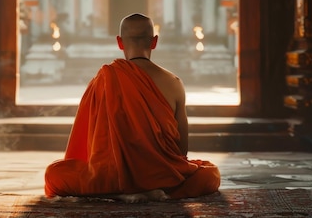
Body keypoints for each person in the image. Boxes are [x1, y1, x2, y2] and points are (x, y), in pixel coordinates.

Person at [44, 13, 221, 203]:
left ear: (119, 42)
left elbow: (89, 142)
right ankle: (156, 189)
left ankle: (117, 192)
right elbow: (182, 150)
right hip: (162, 175)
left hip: (112, 176)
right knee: (210, 174)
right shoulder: (174, 83)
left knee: (53, 174)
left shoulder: (106, 78)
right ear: (154, 42)